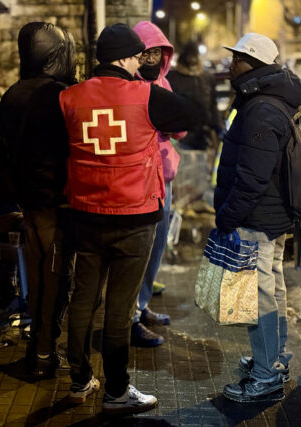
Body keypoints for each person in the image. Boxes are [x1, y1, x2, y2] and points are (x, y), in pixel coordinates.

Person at [59, 23, 200, 415]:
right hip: (134, 217)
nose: (142, 63)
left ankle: (78, 380)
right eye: (138, 57)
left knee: (83, 299)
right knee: (119, 311)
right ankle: (117, 391)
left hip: (85, 215)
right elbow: (192, 114)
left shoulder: (69, 97)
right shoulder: (146, 95)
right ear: (124, 58)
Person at [214, 33, 301, 402]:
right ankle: (274, 359)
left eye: (237, 58)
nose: (230, 64)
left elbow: (252, 177)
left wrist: (227, 217)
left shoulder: (261, 108)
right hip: (272, 213)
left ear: (253, 64)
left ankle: (266, 375)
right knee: (272, 288)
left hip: (258, 216)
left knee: (260, 295)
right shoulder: (268, 97)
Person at [0, 22, 77, 377]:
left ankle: (38, 349)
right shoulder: (61, 95)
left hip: (28, 200)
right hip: (57, 203)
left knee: (37, 276)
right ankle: (44, 352)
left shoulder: (12, 94)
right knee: (55, 278)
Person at [130, 20, 184, 347]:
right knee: (141, 247)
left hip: (165, 176)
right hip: (141, 178)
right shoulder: (128, 85)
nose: (151, 59)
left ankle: (142, 303)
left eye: (157, 53)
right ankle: (132, 316)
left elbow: (179, 127)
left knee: (158, 246)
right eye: (146, 52)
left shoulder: (164, 82)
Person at [167, 40, 223, 151]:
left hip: (203, 137)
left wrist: (218, 128)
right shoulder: (171, 78)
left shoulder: (207, 78)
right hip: (180, 138)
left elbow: (213, 106)